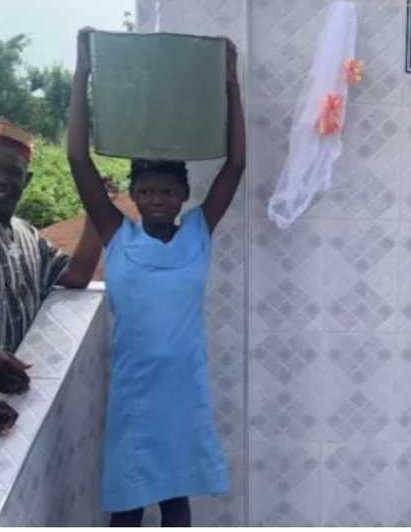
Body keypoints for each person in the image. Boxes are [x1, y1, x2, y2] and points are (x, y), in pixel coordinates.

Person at [67, 27, 245, 527]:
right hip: (135, 393)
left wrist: (231, 83)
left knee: (175, 503)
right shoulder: (116, 236)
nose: (158, 200)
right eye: (147, 192)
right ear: (135, 196)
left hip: (183, 392)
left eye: (168, 192)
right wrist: (84, 71)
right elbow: (78, 158)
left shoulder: (198, 233)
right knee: (126, 505)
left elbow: (237, 164)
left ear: (183, 194)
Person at [0, 120, 102, 453]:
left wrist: (97, 212)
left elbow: (76, 276)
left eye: (12, 172)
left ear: (27, 180)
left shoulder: (28, 235)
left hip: (2, 411)